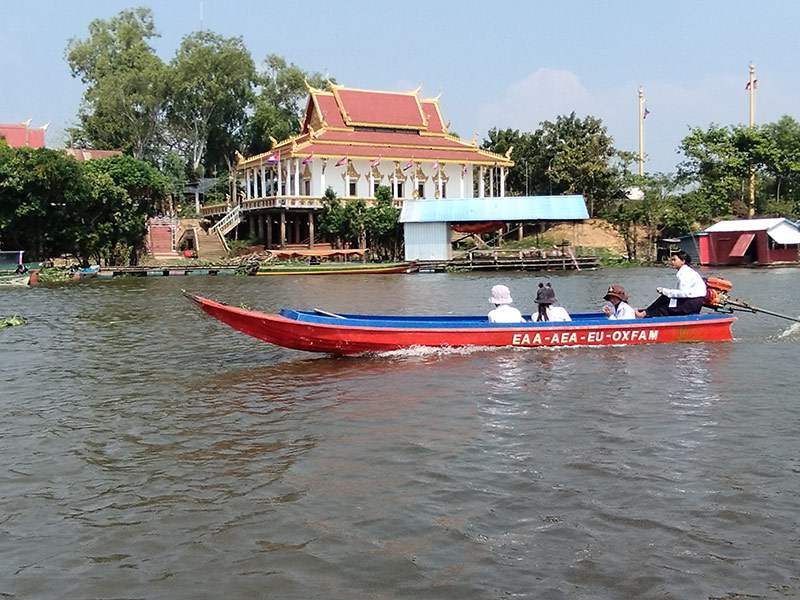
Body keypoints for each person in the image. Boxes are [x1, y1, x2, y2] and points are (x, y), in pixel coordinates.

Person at [635, 251, 706, 317]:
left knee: (664, 300)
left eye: (674, 260)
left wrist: (664, 291)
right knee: (665, 299)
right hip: (693, 302)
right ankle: (646, 312)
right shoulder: (686, 271)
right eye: (671, 260)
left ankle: (643, 314)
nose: (671, 262)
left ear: (683, 261)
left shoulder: (686, 274)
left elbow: (684, 293)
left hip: (691, 304)